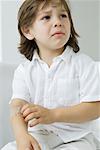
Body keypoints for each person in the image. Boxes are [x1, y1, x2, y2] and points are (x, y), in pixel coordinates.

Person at [2, 0, 100, 150]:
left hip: (76, 139)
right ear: (28, 31)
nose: (58, 22)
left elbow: (95, 108)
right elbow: (17, 106)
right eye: (46, 17)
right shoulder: (24, 71)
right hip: (39, 137)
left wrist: (53, 115)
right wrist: (22, 136)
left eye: (63, 16)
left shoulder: (85, 65)